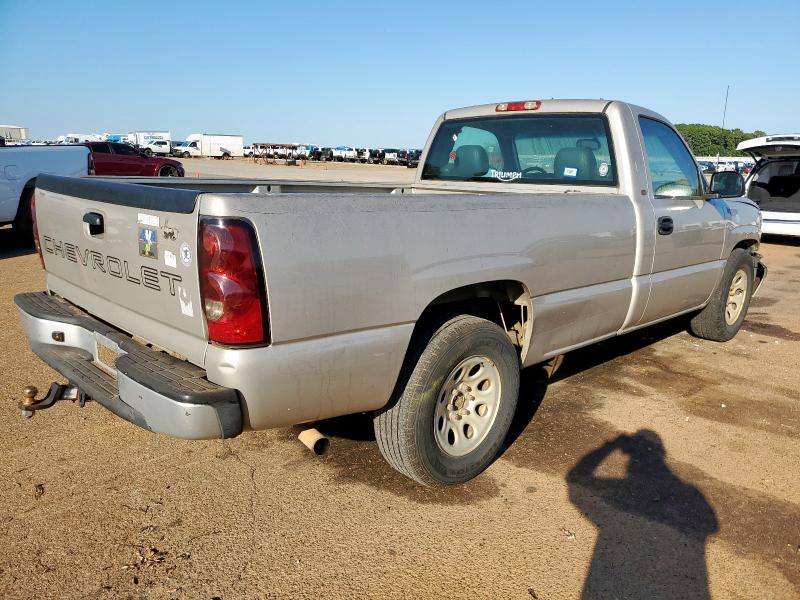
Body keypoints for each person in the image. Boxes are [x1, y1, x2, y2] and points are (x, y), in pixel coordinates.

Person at [568, 430, 718, 599]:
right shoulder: (690, 493)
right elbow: (711, 525)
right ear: (662, 453)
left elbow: (575, 478)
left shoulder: (623, 490)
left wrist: (610, 445)